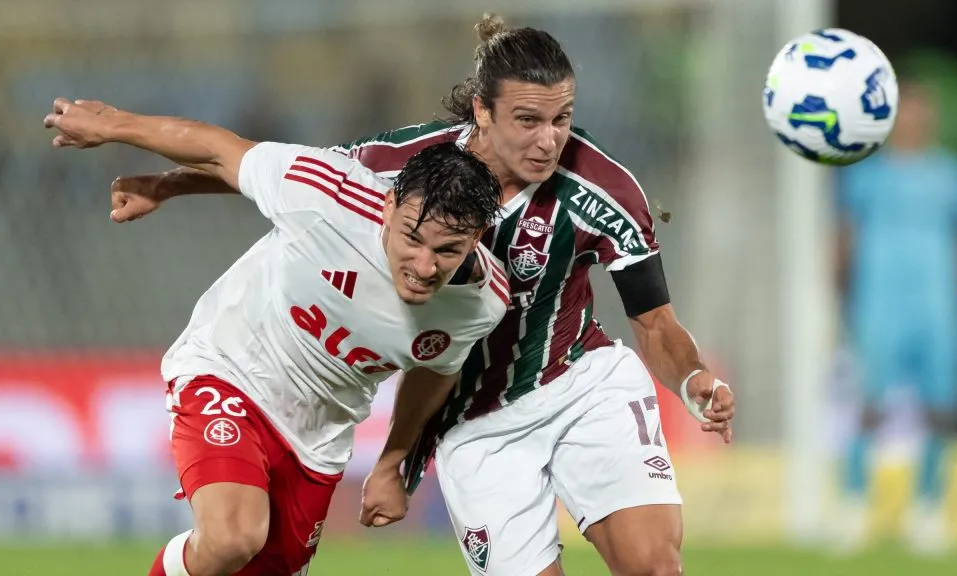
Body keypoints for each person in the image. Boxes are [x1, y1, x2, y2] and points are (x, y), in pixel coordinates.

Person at [109, 14, 737, 576]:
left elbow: (654, 322)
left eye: (561, 119)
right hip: (475, 426)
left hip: (579, 384)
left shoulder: (605, 190)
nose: (549, 139)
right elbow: (297, 176)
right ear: (482, 114)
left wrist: (693, 381)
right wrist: (170, 186)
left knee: (653, 564)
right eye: (528, 120)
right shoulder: (408, 164)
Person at [43, 96, 510, 576]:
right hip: (230, 371)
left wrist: (393, 461)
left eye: (448, 250)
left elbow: (436, 371)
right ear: (389, 207)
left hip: (318, 438)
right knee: (231, 538)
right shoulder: (328, 196)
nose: (424, 266)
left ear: (475, 239)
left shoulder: (483, 302)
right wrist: (115, 129)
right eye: (412, 238)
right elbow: (220, 149)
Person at [835, 78, 957, 553]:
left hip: (938, 307)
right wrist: (829, 303)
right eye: (906, 111)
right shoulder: (864, 177)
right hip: (879, 305)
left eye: (921, 110)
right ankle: (855, 507)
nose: (914, 119)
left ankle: (927, 509)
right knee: (870, 407)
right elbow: (844, 243)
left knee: (941, 410)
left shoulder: (954, 175)